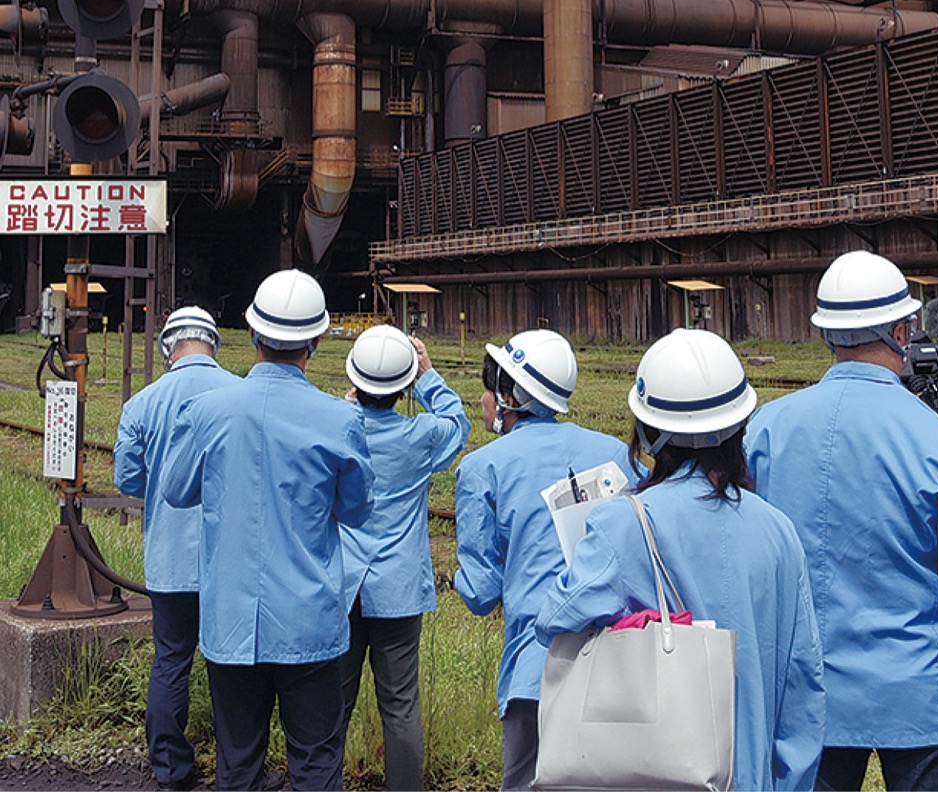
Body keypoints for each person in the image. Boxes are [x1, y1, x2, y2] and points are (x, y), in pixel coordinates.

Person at [744, 251, 938, 792]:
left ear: (827, 335)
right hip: (921, 698)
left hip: (805, 696)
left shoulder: (766, 431)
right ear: (902, 329)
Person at [535, 328, 826, 792]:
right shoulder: (778, 531)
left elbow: (553, 620)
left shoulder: (623, 524)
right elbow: (803, 688)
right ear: (739, 425)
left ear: (648, 433)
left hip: (653, 773)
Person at [162, 269, 374, 792]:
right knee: (317, 762)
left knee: (238, 762)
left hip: (230, 621)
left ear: (251, 332)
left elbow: (175, 490)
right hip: (311, 622)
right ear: (318, 341)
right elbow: (356, 512)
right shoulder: (339, 421)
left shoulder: (207, 411)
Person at [453, 329, 633, 792]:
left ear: (509, 397)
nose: (484, 398)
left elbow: (480, 592)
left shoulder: (482, 468)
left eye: (492, 387)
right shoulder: (615, 454)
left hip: (535, 669)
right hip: (614, 663)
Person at [339, 324, 470, 792]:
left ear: (355, 380)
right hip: (397, 590)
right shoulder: (422, 436)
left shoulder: (336, 425)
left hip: (341, 586)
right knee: (399, 706)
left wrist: (350, 400)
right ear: (403, 385)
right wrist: (428, 376)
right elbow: (459, 423)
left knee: (333, 701)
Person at [113, 305, 237, 792]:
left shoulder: (142, 403)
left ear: (168, 348)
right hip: (230, 560)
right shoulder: (240, 392)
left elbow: (127, 480)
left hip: (169, 558)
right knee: (232, 667)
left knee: (171, 661)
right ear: (213, 343)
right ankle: (238, 769)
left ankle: (171, 770)